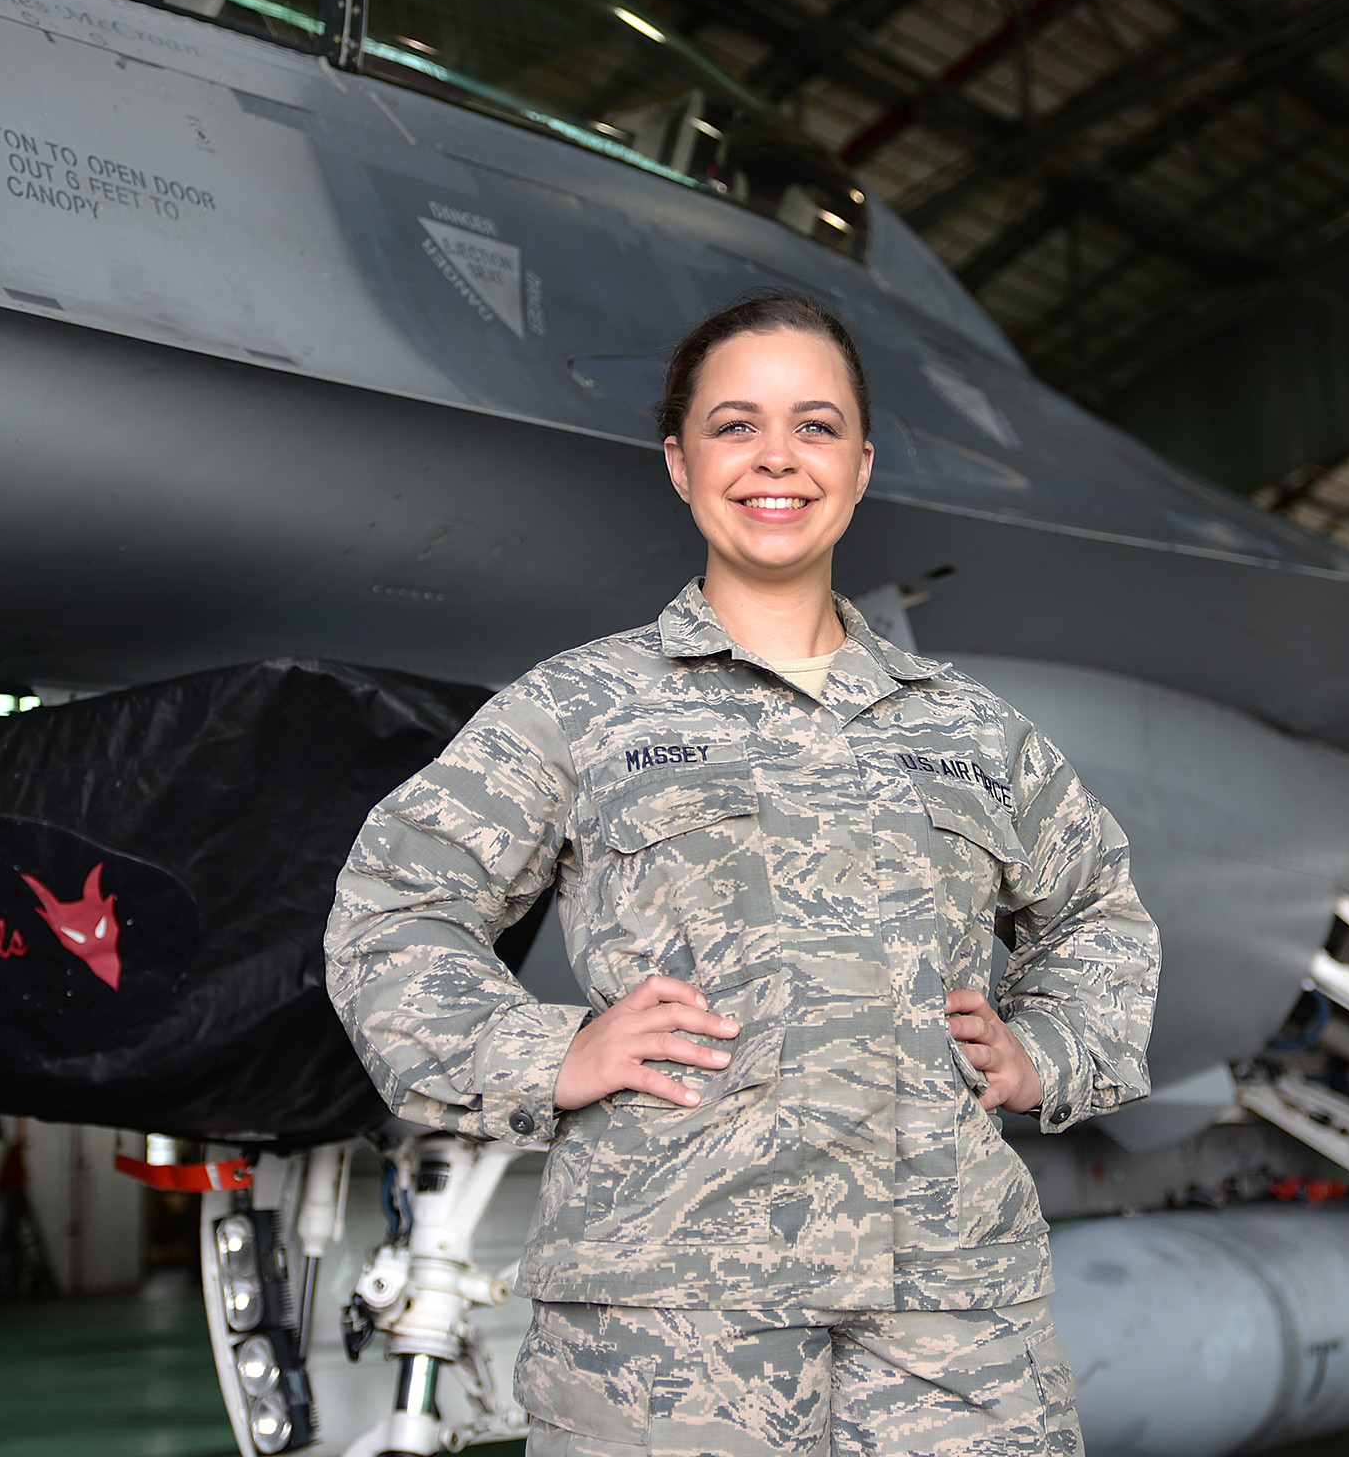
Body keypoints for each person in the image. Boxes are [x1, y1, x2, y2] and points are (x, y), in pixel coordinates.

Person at [326, 293, 1159, 1456]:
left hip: (950, 1313)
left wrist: (1048, 1053)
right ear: (677, 462)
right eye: (734, 425)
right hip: (668, 1322)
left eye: (815, 427)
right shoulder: (580, 709)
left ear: (861, 466)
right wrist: (546, 1052)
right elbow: (393, 907)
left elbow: (1098, 913)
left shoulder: (974, 733)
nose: (777, 457)